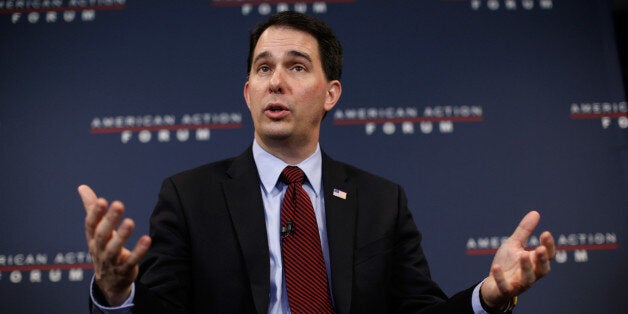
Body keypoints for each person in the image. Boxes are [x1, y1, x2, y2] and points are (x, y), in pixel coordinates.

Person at [79, 11, 556, 313]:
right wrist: (119, 294)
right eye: (263, 68)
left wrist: (489, 298)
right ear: (248, 93)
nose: (276, 82)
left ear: (331, 94)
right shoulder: (188, 196)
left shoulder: (380, 201)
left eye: (297, 67)